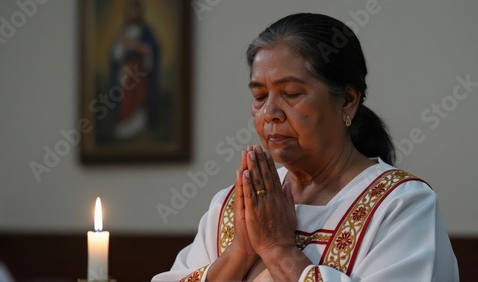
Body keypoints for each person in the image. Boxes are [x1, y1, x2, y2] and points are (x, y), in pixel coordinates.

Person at [152, 13, 459, 281]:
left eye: (292, 93)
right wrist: (240, 251)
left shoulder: (400, 205)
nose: (270, 112)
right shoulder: (236, 206)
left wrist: (278, 250)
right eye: (260, 96)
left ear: (348, 101)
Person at [109, 0, 160, 139]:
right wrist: (122, 49)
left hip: (139, 73)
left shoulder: (146, 31)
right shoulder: (123, 31)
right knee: (125, 98)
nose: (132, 13)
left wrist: (137, 47)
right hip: (125, 72)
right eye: (130, 11)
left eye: (135, 10)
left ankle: (140, 124)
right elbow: (116, 53)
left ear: (139, 12)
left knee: (139, 97)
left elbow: (151, 49)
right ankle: (124, 123)